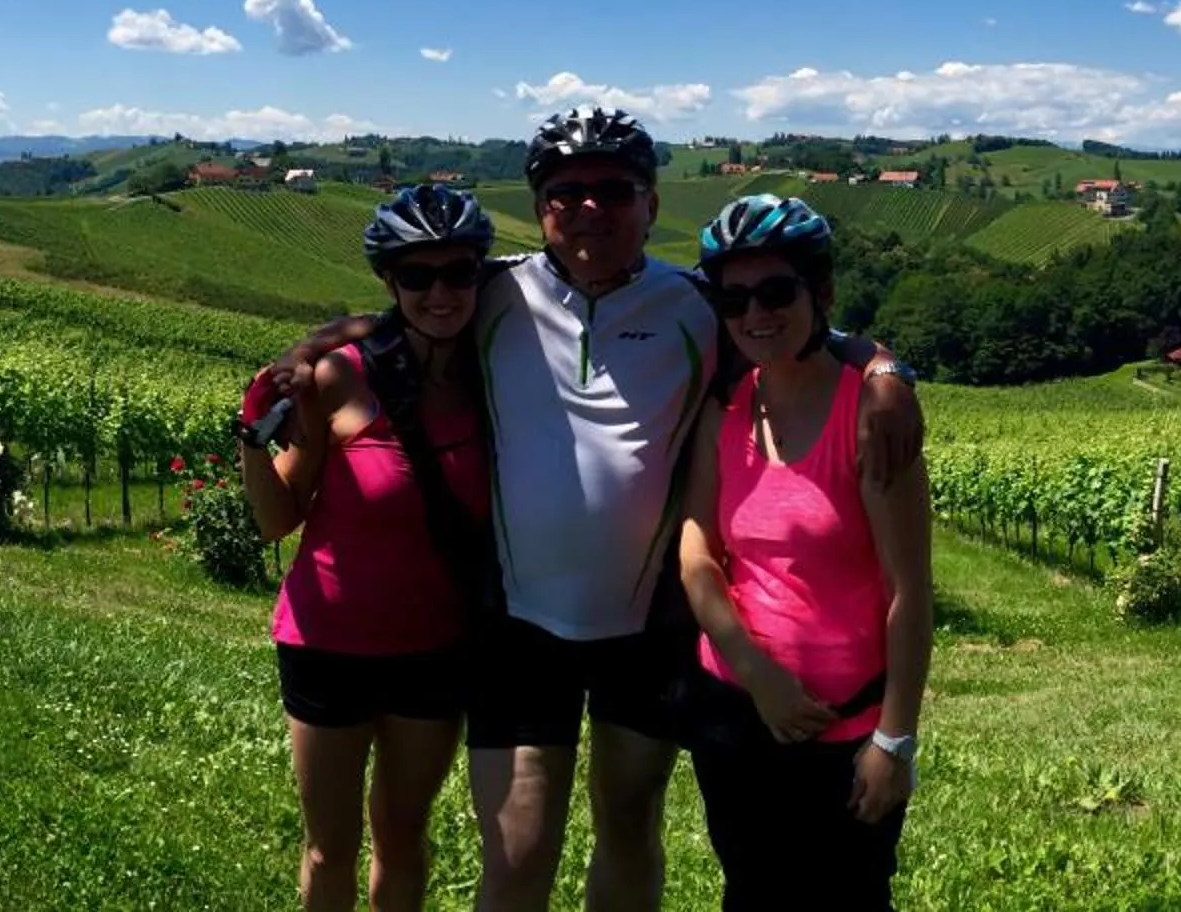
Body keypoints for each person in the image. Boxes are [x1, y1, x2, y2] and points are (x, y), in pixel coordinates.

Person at [266, 106, 924, 912]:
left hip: (647, 629)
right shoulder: (493, 290)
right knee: (517, 850)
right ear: (538, 206)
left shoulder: (695, 303)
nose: (589, 208)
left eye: (614, 190)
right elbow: (396, 318)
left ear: (651, 202)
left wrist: (885, 370)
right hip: (518, 626)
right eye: (565, 192)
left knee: (628, 825)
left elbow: (797, 323)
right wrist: (304, 350)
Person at [234, 183, 499, 912]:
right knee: (330, 847)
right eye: (417, 275)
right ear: (390, 282)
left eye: (458, 273)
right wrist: (252, 438)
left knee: (404, 837)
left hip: (435, 650)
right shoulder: (341, 376)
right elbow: (276, 520)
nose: (440, 293)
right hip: (327, 645)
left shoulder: (498, 372)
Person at [676, 195, 932, 910]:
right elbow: (697, 551)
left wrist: (895, 740)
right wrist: (756, 671)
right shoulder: (725, 409)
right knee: (750, 891)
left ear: (821, 293)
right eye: (734, 300)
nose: (755, 314)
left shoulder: (871, 416)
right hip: (735, 710)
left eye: (776, 292)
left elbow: (910, 591)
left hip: (846, 725)